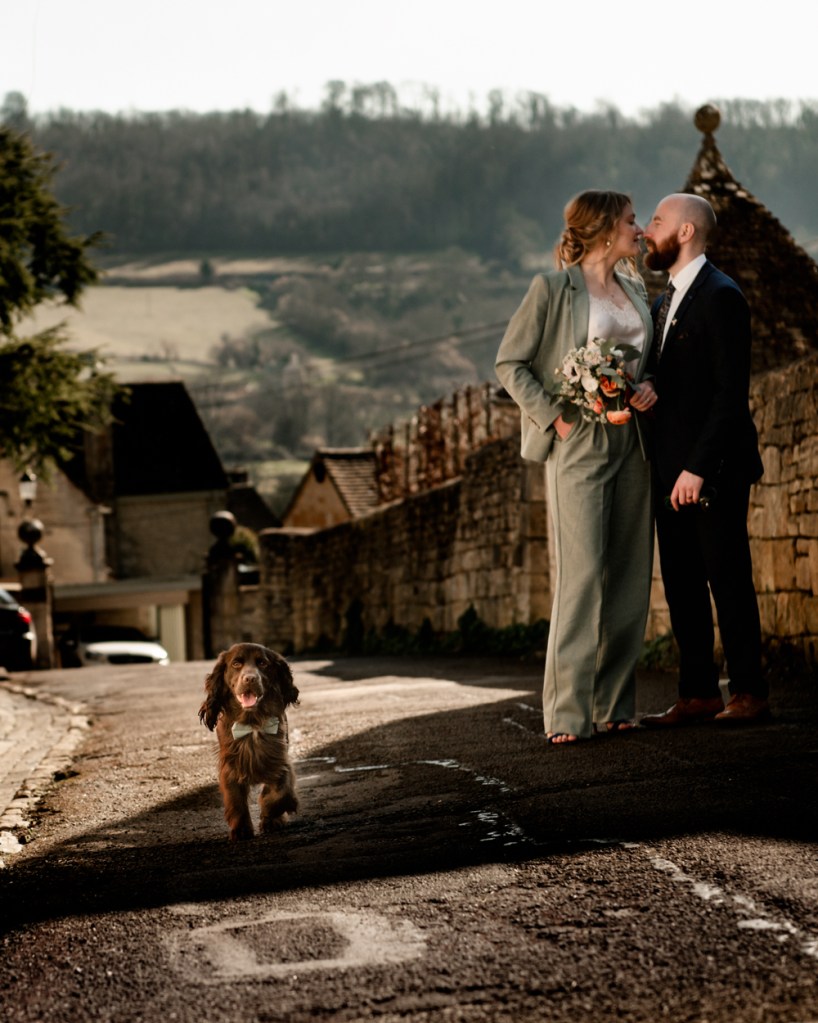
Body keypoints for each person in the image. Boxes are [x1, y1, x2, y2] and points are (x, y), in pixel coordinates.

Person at [496, 190, 657, 745]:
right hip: (578, 443)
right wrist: (556, 420)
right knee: (583, 577)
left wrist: (648, 388)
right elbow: (509, 363)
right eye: (633, 221)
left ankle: (615, 704)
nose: (641, 229)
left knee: (631, 575)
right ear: (607, 229)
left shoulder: (636, 288)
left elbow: (646, 363)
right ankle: (566, 714)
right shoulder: (552, 289)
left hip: (633, 443)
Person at [640, 193, 769, 727]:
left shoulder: (721, 295)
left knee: (727, 577)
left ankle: (749, 692)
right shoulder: (661, 302)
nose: (648, 230)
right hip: (668, 470)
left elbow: (728, 395)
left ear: (686, 232)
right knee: (681, 583)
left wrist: (697, 467)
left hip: (712, 468)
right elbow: (671, 379)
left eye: (657, 220)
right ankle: (697, 693)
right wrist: (646, 385)